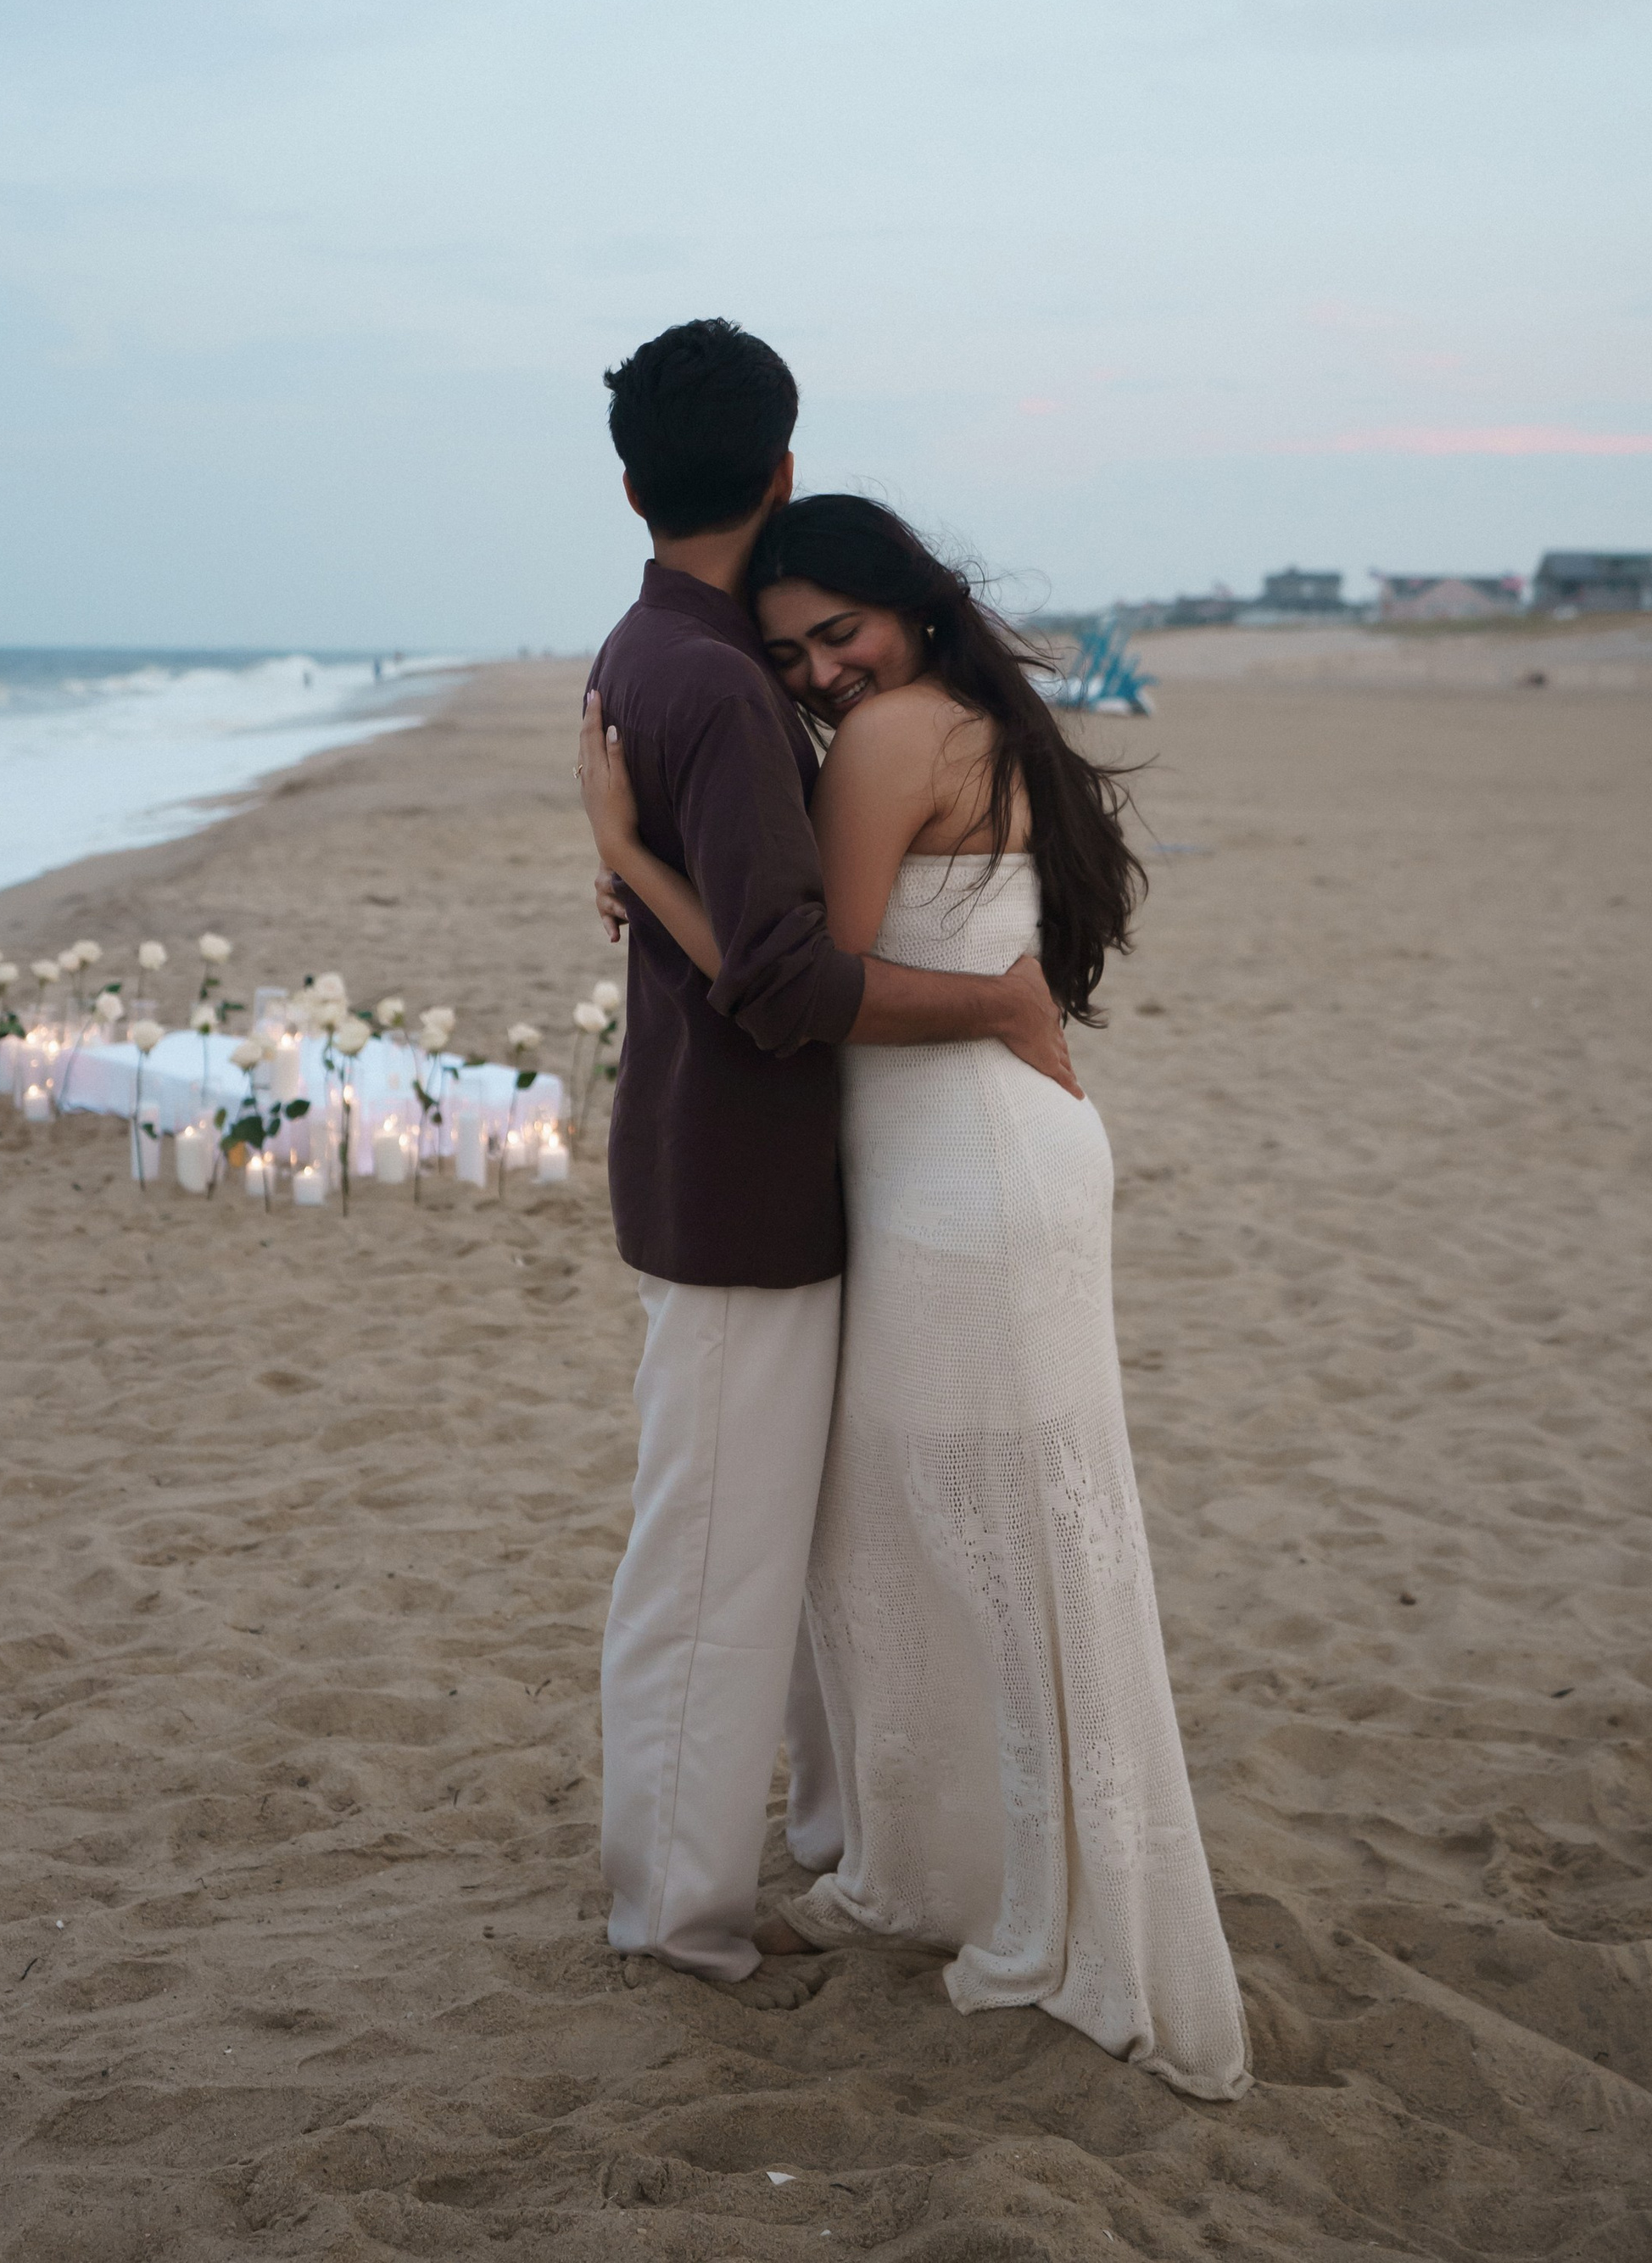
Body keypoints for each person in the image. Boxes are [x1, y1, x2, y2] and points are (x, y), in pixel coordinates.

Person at [581, 487, 1252, 2101]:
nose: (816, 671)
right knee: (970, 1529)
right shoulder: (981, 724)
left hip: (962, 1178)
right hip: (988, 1160)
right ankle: (979, 1867)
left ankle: (1034, 1892)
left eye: (842, 634)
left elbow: (792, 985)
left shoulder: (894, 742)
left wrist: (634, 864)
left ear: (920, 614)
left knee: (980, 1534)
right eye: (792, 647)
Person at [586, 321, 1082, 1997]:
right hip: (738, 1183)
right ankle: (672, 1912)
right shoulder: (722, 684)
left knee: (758, 1556)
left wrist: (628, 871)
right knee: (712, 1565)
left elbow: (733, 919)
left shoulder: (651, 653)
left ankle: (800, 1846)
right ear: (782, 471)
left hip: (725, 1162)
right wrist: (1003, 1003)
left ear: (631, 482)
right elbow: (785, 975)